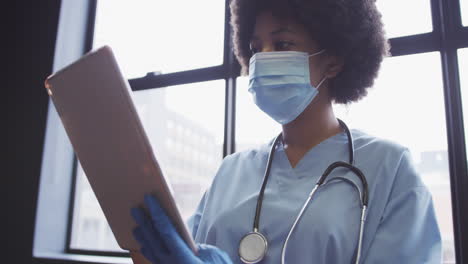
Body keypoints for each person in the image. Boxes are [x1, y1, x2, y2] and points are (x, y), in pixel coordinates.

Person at [130, 0, 442, 263]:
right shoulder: (231, 171)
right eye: (255, 48)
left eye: (282, 44)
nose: (262, 58)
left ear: (332, 62)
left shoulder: (389, 168)